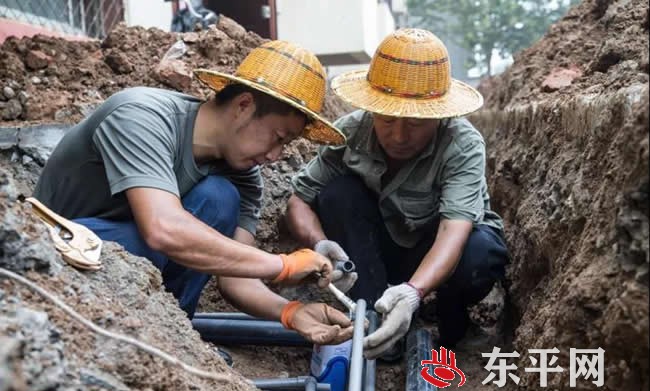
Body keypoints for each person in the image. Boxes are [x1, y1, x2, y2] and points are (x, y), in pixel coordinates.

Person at [33, 40, 354, 345]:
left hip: (127, 261)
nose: (275, 156)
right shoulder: (141, 116)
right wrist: (283, 265)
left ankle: (171, 336)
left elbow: (235, 275)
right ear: (244, 105)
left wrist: (290, 312)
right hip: (53, 262)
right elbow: (164, 230)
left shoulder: (243, 176)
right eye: (278, 137)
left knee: (218, 197)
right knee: (200, 211)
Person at [285, 28, 510, 359]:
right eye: (388, 119)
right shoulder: (352, 131)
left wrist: (413, 293)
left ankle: (451, 323)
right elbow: (298, 201)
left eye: (415, 123)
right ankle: (373, 317)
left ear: (438, 115)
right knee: (337, 195)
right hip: (381, 248)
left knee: (479, 252)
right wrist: (321, 247)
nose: (399, 135)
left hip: (437, 247)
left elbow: (454, 231)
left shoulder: (462, 144)